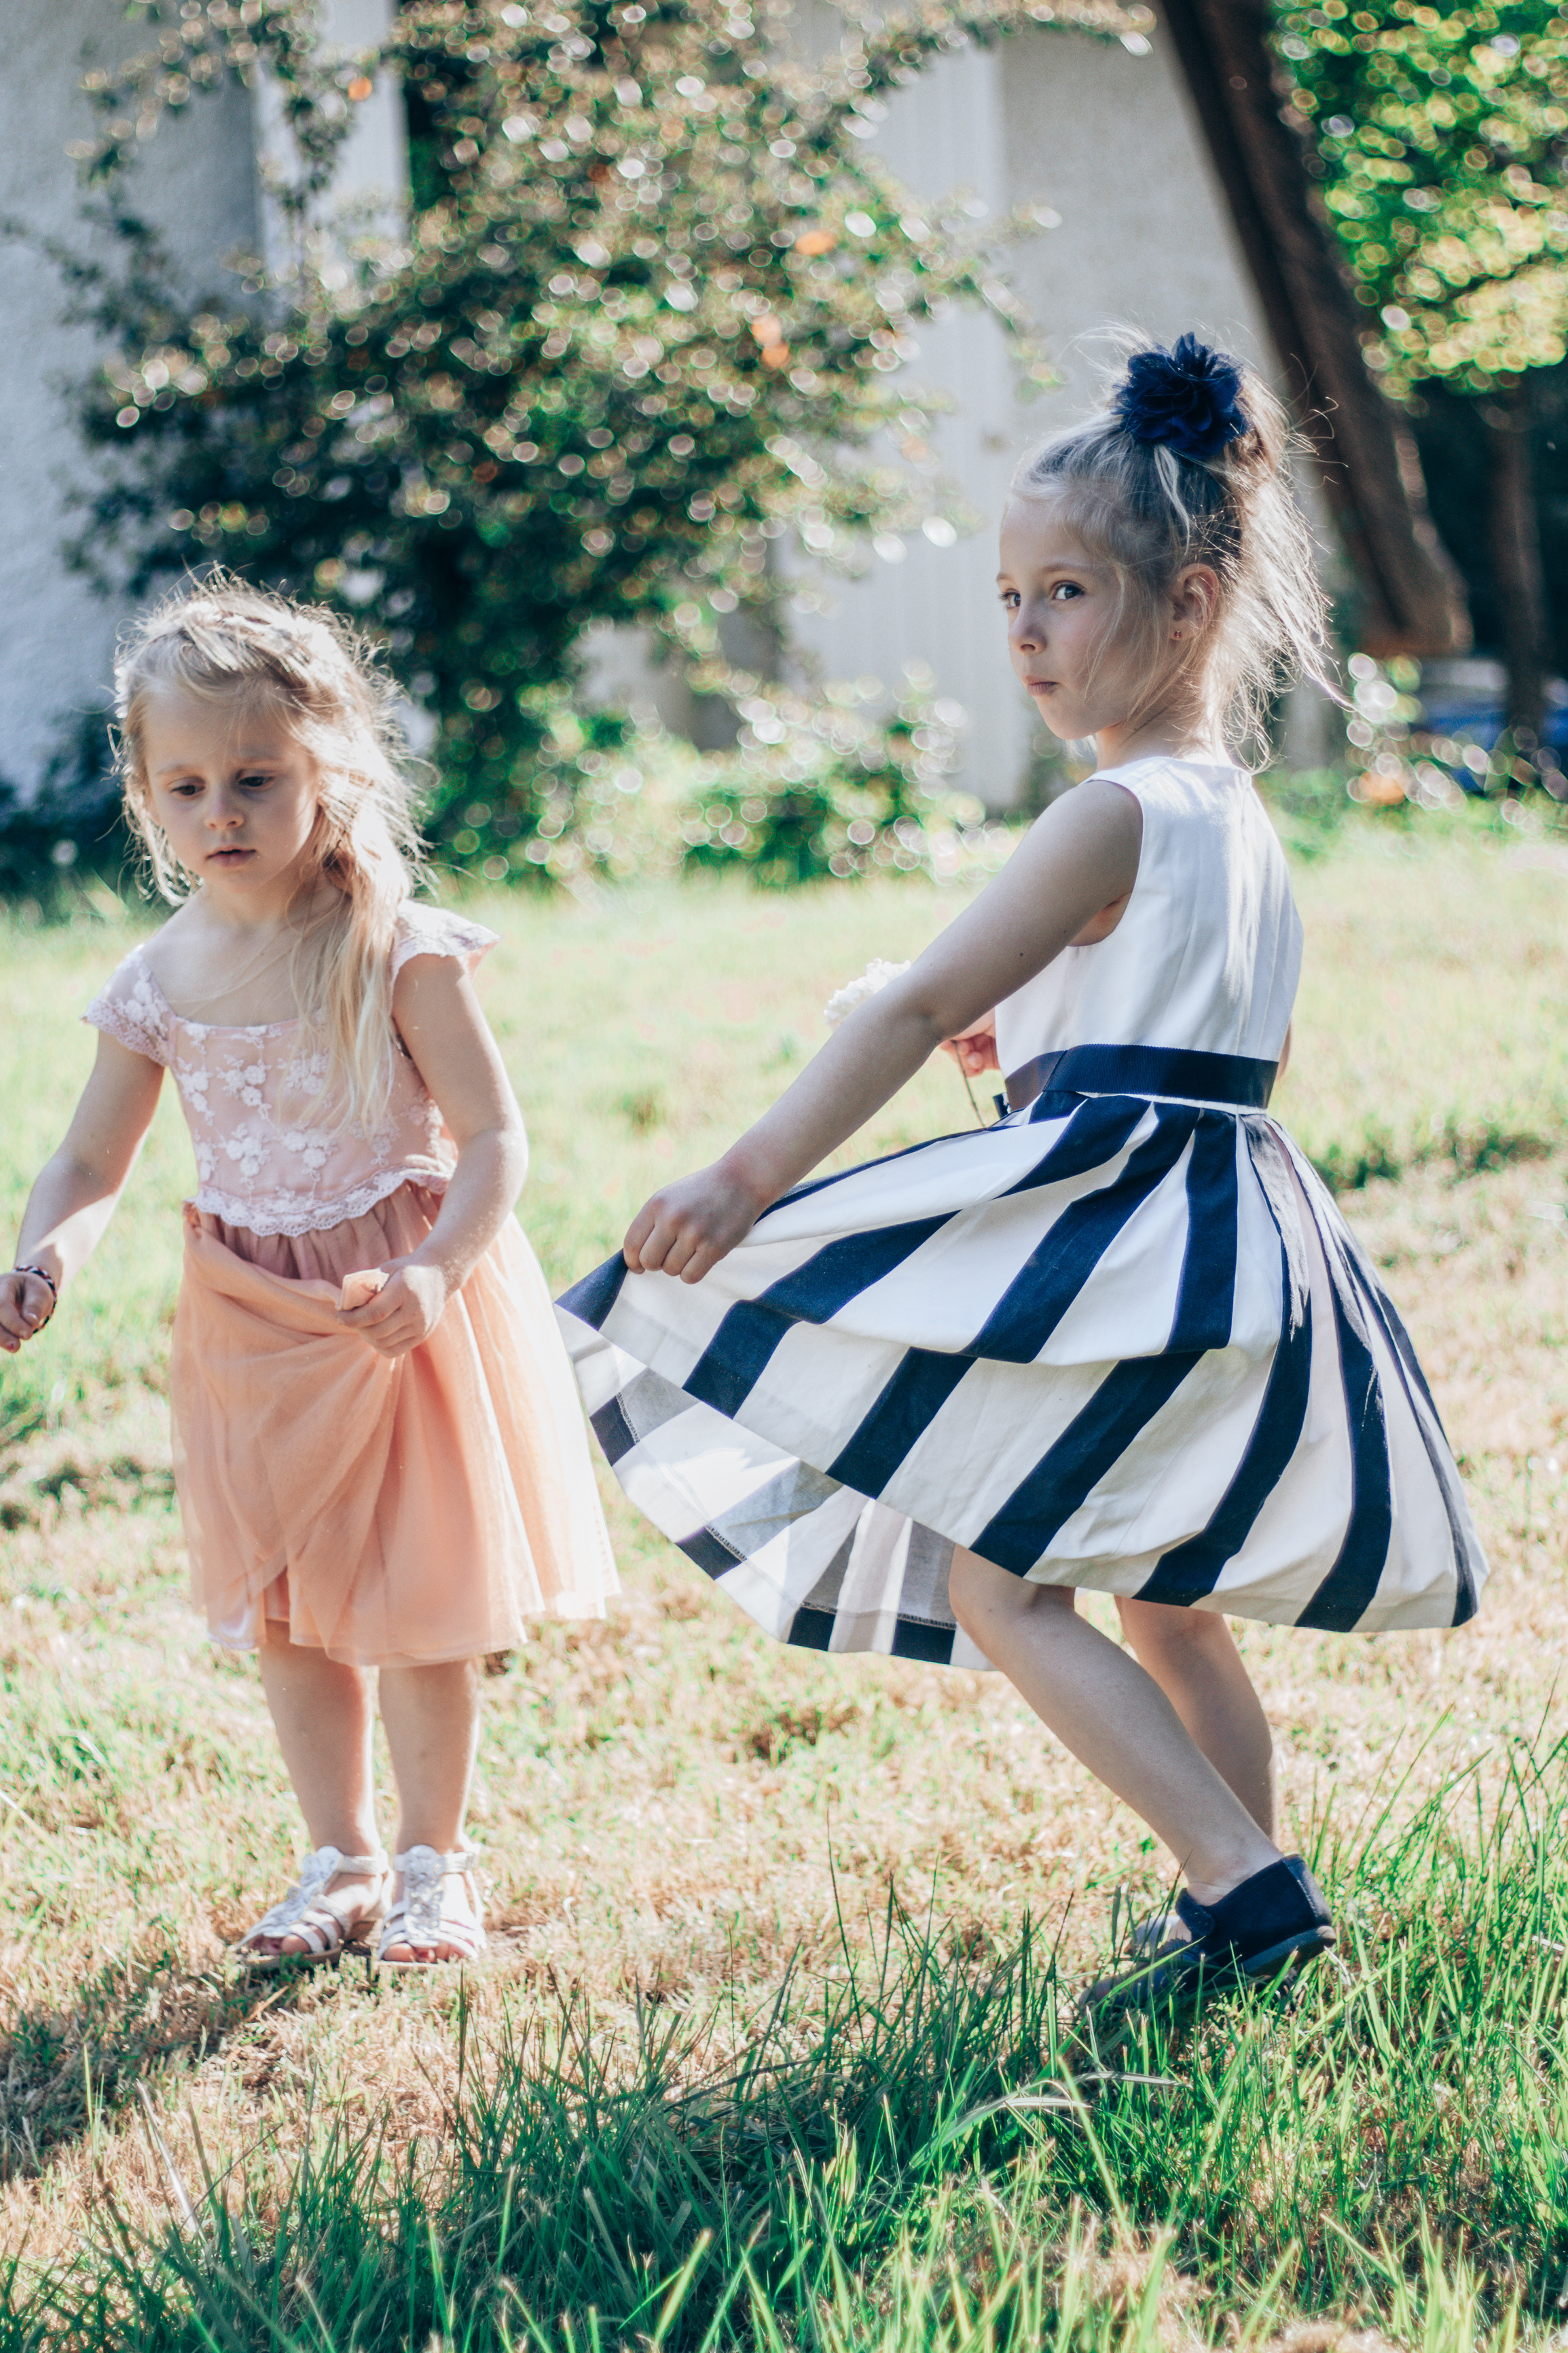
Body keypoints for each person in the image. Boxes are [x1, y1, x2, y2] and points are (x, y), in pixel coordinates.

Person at [555, 338, 1487, 2018]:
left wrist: (747, 1174)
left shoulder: (1110, 810)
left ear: (1191, 603)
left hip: (1129, 1232)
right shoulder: (1242, 819)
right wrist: (1027, 1061)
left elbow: (922, 1002)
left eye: (1067, 591)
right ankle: (1237, 1900)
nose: (1029, 633)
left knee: (1001, 1577)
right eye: (1009, 596)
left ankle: (1247, 1886)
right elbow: (1153, 1036)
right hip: (1234, 1237)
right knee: (1169, 1602)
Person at [1, 581, 617, 1972]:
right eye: (189, 784)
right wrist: (44, 1254)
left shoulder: (397, 947)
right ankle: (335, 1854)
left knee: (412, 1598)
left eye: (256, 777)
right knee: (289, 1602)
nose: (223, 809)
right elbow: (90, 1160)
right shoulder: (160, 976)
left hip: (389, 1303)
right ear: (148, 795)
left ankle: (431, 1862)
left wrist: (443, 1267)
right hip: (247, 1316)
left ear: (323, 768)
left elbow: (495, 1136)